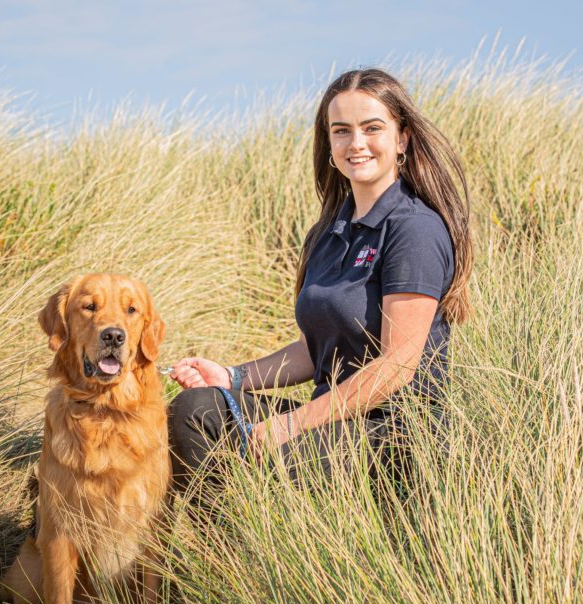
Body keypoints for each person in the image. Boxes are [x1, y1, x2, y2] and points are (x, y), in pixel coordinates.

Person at [167, 67, 472, 497]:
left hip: (395, 432)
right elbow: (318, 350)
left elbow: (398, 366)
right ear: (329, 143)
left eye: (372, 128)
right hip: (332, 421)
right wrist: (232, 377)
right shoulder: (328, 233)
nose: (357, 143)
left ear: (401, 138)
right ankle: (222, 550)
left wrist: (292, 423)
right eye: (342, 131)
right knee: (196, 410)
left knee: (267, 453)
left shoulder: (414, 228)